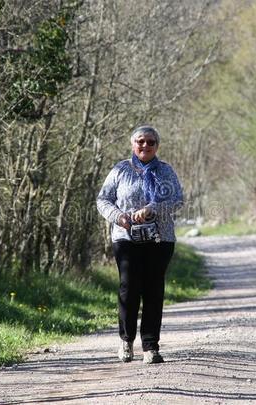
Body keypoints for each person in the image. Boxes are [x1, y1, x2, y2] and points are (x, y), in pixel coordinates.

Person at [96, 125, 183, 364]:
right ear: (133, 144)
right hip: (126, 238)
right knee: (129, 287)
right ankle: (126, 341)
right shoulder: (120, 169)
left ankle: (150, 347)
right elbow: (103, 200)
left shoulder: (165, 171)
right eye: (141, 141)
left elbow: (177, 200)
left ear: (157, 146)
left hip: (160, 238)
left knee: (154, 290)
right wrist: (118, 216)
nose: (145, 146)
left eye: (151, 142)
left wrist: (152, 209)